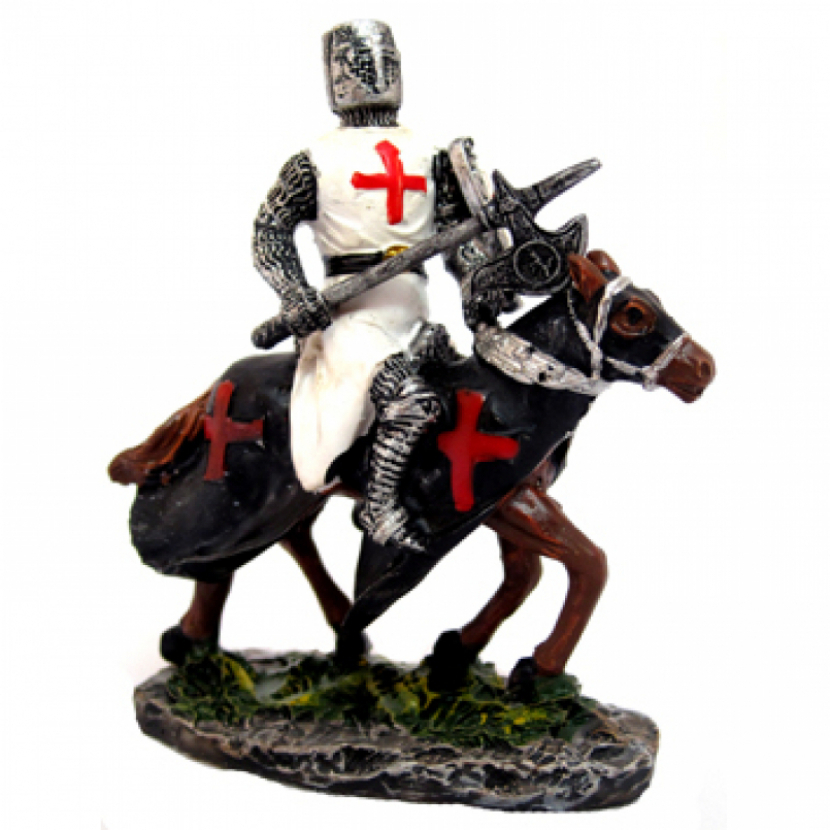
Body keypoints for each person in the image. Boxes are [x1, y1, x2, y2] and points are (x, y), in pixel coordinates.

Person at [252, 20, 503, 551]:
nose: (375, 74)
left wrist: (480, 291)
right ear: (334, 74)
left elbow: (460, 239)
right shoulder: (314, 161)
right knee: (410, 401)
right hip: (351, 320)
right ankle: (380, 507)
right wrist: (295, 294)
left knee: (469, 398)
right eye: (360, 64)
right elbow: (270, 229)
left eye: (386, 62)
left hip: (414, 311)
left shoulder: (431, 154)